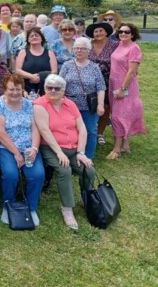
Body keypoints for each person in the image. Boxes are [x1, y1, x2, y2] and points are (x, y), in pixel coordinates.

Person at [33, 75, 95, 230]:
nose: (53, 91)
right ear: (44, 88)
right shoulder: (39, 104)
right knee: (64, 170)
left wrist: (81, 152)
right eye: (49, 87)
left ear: (63, 90)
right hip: (51, 147)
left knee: (89, 170)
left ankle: (85, 197)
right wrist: (59, 153)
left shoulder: (70, 104)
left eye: (57, 88)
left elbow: (82, 129)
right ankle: (67, 209)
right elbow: (44, 130)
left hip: (73, 148)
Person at [0, 74, 44, 227]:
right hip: (7, 147)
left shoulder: (29, 104)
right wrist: (16, 153)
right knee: (10, 175)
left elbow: (35, 128)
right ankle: (8, 205)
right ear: (5, 89)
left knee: (38, 175)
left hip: (28, 146)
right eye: (11, 89)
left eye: (18, 89)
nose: (15, 92)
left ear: (23, 89)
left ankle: (32, 207)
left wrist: (34, 148)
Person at [59, 38, 106, 159]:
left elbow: (101, 87)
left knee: (90, 131)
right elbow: (59, 84)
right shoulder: (67, 65)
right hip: (69, 106)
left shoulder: (95, 67)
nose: (79, 50)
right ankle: (72, 155)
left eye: (83, 48)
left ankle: (88, 157)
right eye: (77, 48)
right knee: (70, 130)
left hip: (88, 106)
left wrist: (100, 105)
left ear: (88, 51)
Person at [107, 23, 146, 159]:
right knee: (118, 113)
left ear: (133, 34)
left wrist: (123, 88)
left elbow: (132, 71)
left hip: (125, 86)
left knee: (118, 116)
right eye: (121, 31)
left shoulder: (134, 48)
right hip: (113, 84)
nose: (123, 34)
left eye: (127, 32)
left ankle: (116, 149)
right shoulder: (119, 45)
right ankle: (125, 143)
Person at [86, 21, 119, 146]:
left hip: (108, 81)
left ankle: (100, 133)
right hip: (88, 81)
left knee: (105, 108)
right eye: (96, 31)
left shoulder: (114, 45)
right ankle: (89, 131)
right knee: (88, 106)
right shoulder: (88, 44)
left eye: (101, 31)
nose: (98, 33)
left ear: (106, 32)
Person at [14, 26, 57, 96]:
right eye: (31, 36)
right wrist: (31, 77)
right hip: (26, 89)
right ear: (28, 40)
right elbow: (18, 70)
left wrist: (40, 77)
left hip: (45, 89)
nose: (34, 37)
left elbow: (54, 72)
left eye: (36, 35)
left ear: (41, 39)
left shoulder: (50, 53)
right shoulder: (23, 52)